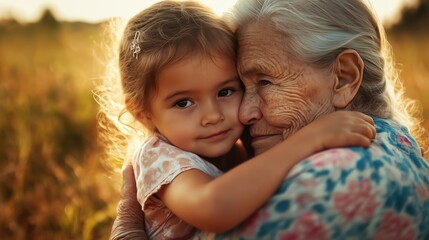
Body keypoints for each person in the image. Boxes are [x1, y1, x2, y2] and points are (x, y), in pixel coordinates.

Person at [109, 0, 429, 239]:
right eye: (184, 101)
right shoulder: (397, 143)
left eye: (264, 82)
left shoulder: (328, 187)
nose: (242, 114)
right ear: (142, 112)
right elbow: (214, 203)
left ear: (343, 78)